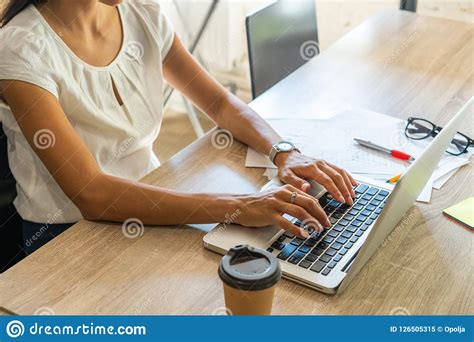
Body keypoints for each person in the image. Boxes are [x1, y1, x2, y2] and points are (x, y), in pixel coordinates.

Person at [0, 0, 356, 254]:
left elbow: (218, 103)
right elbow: (92, 195)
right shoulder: (20, 49)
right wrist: (238, 205)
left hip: (152, 202)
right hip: (67, 239)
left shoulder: (141, 13)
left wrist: (284, 153)